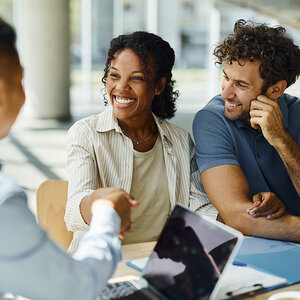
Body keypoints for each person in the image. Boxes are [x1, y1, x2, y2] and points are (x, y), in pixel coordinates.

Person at [0, 17, 138, 300]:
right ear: (2, 93)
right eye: (21, 79)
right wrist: (105, 215)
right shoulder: (4, 203)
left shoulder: (177, 139)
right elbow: (76, 289)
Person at [65, 31, 217, 254]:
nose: (120, 88)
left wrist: (245, 214)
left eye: (136, 78)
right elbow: (73, 209)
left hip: (164, 264)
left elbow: (198, 208)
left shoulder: (180, 140)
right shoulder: (86, 133)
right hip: (103, 265)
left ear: (158, 85)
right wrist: (99, 202)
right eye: (114, 75)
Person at [193, 19, 300, 242]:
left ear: (275, 90)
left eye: (240, 85)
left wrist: (281, 139)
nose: (225, 93)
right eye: (225, 78)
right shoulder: (212, 120)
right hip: (255, 250)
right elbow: (237, 216)